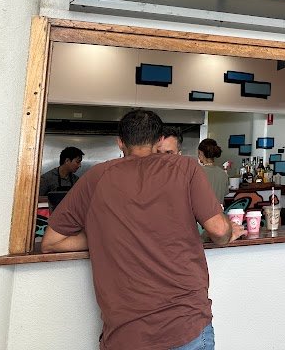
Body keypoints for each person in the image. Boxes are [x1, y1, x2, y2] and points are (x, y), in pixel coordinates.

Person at [41, 109, 244, 350]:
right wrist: (230, 232)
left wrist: (103, 233)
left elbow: (51, 243)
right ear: (159, 140)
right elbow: (219, 231)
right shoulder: (186, 168)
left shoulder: (95, 177)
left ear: (120, 142)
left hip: (127, 332)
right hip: (187, 322)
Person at [198, 138, 228, 207]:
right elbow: (225, 194)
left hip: (203, 212)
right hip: (218, 211)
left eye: (198, 153)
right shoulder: (223, 173)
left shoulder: (198, 172)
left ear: (201, 153)